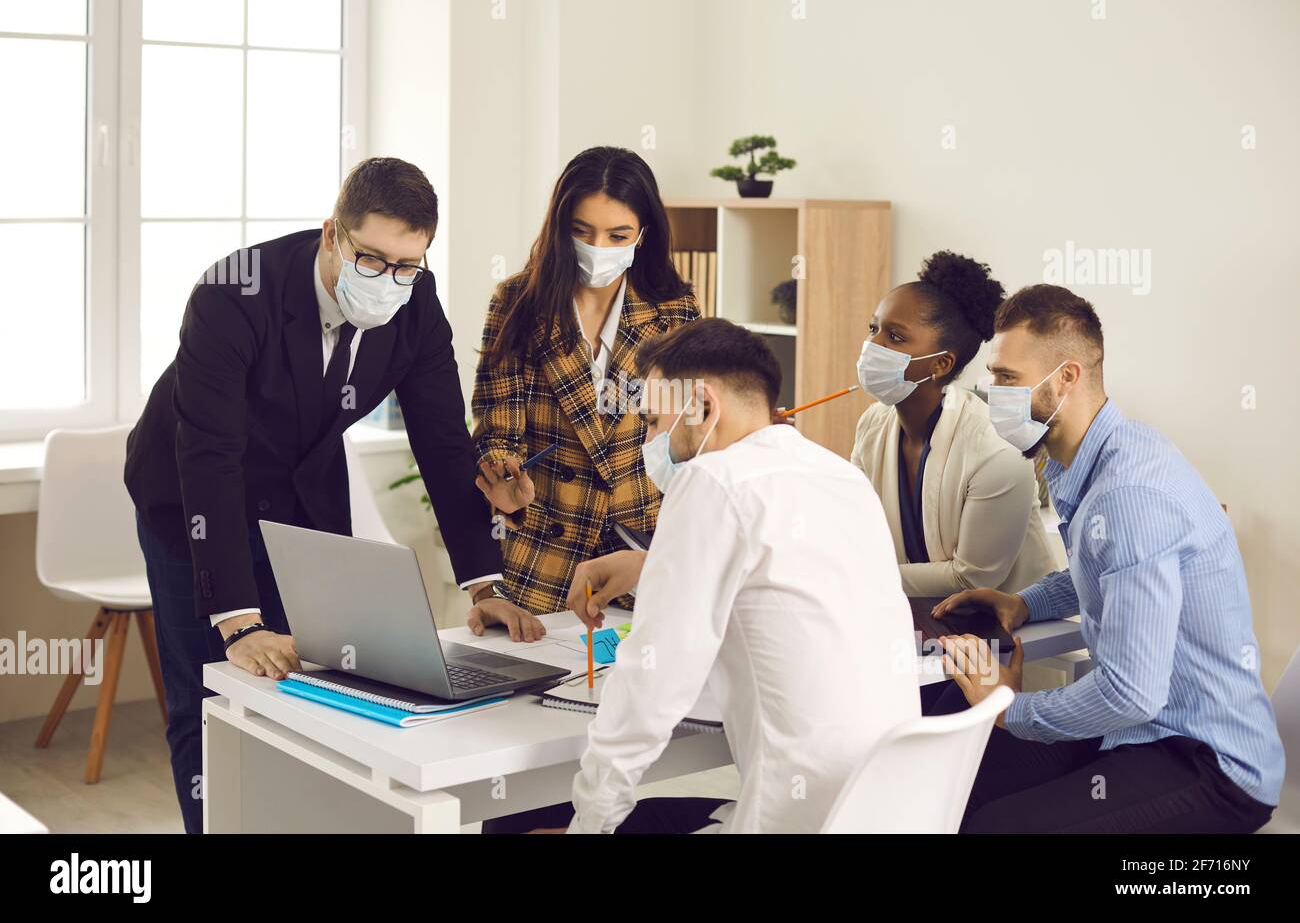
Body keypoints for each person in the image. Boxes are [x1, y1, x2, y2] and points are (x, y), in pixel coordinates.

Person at [124, 157, 503, 833]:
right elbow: (210, 457)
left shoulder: (416, 300)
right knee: (210, 695)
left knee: (318, 686)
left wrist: (483, 583)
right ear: (333, 233)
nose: (389, 281)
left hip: (301, 491)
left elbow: (443, 442)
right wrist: (237, 621)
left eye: (406, 265)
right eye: (371, 258)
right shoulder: (232, 293)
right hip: (189, 497)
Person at [503, 318, 920, 833]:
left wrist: (590, 824)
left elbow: (652, 686)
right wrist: (652, 569)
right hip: (883, 811)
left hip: (793, 821)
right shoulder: (840, 476)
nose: (649, 441)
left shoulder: (712, 478)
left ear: (700, 404)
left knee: (522, 820)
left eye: (653, 421)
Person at [928, 284, 1284, 833]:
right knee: (954, 782)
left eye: (1006, 379)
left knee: (997, 827)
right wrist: (1024, 602)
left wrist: (1009, 709)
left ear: (1066, 376)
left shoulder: (1129, 492)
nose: (991, 393)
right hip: (1138, 728)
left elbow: (1129, 692)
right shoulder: (1097, 456)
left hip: (1205, 759)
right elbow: (1104, 563)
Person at [468, 146, 699, 640]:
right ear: (559, 227)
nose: (599, 246)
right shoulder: (517, 303)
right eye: (582, 231)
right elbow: (495, 428)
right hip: (541, 568)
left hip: (642, 560)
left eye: (617, 235)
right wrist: (505, 479)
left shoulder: (675, 308)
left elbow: (690, 433)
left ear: (643, 234)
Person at [850, 251, 1057, 599]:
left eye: (895, 337)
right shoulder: (873, 424)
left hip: (1014, 634)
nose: (873, 345)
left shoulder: (997, 449)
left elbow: (972, 580)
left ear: (941, 364)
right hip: (920, 619)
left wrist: (859, 577)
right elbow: (857, 530)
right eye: (873, 329)